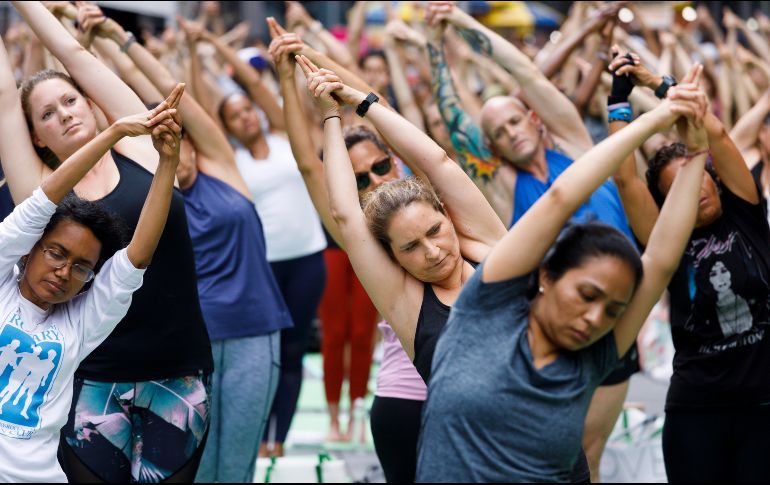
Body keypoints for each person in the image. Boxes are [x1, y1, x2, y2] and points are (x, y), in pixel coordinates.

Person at [416, 65, 709, 483]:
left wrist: (697, 154)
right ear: (547, 277)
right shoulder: (486, 310)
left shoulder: (591, 357)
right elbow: (559, 198)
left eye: (613, 311)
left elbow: (661, 260)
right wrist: (657, 119)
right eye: (587, 295)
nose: (596, 319)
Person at [423, 3, 641, 477]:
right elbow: (452, 116)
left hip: (609, 319)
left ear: (535, 119)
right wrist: (434, 46)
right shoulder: (502, 184)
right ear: (491, 147)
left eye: (515, 121)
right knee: (567, 455)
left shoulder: (576, 145)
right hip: (550, 328)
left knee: (592, 449)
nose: (510, 133)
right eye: (498, 133)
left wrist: (460, 20)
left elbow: (525, 72)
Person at [0, 3, 213, 481]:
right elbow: (2, 97)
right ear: (36, 138)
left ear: (91, 102)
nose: (64, 114)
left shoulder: (143, 148)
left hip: (177, 368)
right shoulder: (39, 189)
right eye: (47, 114)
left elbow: (74, 54)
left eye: (70, 101)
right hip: (90, 378)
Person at [88, 10, 294, 481]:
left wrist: (120, 39)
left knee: (236, 464)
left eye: (179, 133)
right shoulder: (148, 201)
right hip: (189, 346)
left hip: (253, 332)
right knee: (194, 468)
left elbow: (171, 89)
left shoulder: (224, 169)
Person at [269, 21, 426, 479]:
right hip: (406, 394)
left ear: (395, 160)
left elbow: (382, 109)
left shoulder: (431, 197)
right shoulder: (362, 236)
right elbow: (307, 163)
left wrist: (310, 52)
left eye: (381, 166)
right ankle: (341, 415)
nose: (375, 180)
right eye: (360, 179)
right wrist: (286, 75)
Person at [610, 51, 770, 482]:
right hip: (698, 410)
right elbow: (625, 178)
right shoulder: (667, 238)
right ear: (668, 202)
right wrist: (618, 98)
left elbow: (714, 131)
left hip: (763, 406)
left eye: (698, 174)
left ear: (713, 177)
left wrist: (656, 82)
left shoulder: (745, 211)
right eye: (679, 184)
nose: (694, 187)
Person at [195, 21, 327, 457]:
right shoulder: (230, 160)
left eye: (248, 110)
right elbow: (202, 103)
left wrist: (217, 44)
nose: (245, 116)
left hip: (307, 258)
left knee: (295, 350)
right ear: (227, 126)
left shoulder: (287, 137)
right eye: (234, 115)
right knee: (265, 352)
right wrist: (197, 52)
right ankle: (254, 431)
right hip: (262, 267)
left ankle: (278, 438)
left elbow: (256, 84)